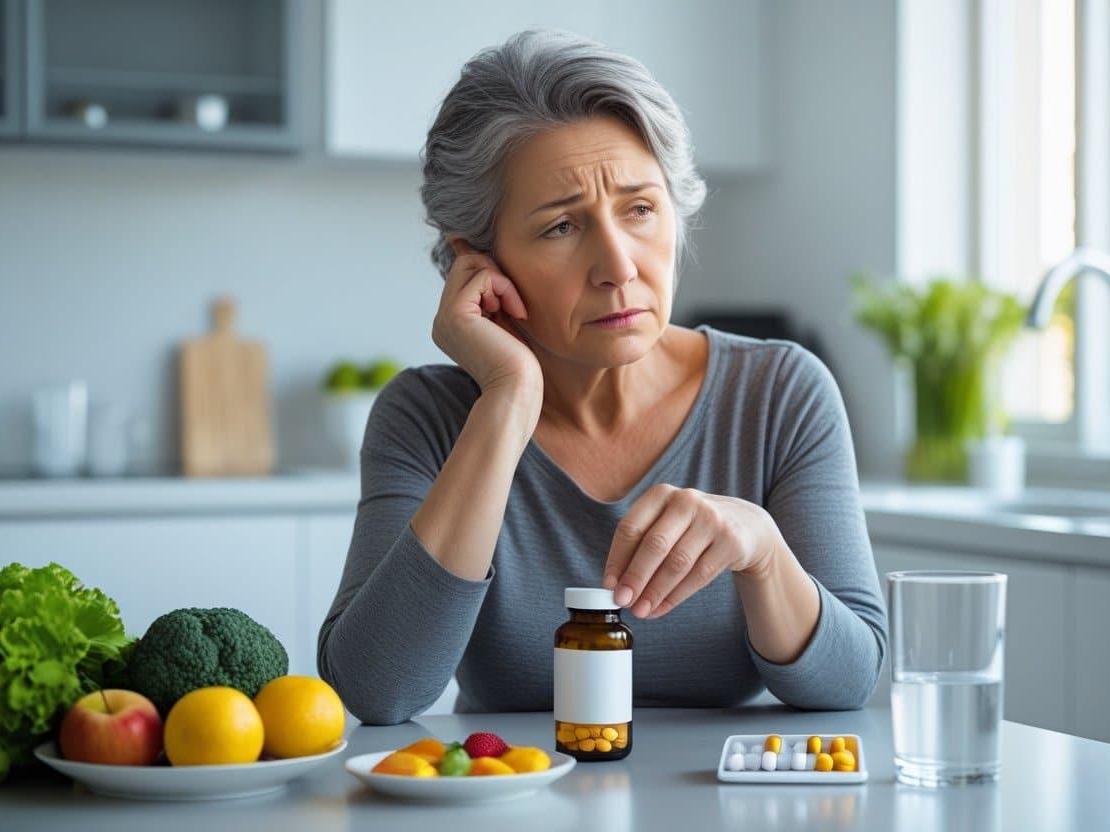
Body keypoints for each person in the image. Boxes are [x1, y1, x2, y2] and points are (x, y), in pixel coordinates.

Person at [318, 29, 886, 724]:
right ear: (479, 259)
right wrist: (506, 402)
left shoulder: (780, 393)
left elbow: (849, 680)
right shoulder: (426, 416)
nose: (619, 265)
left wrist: (762, 551)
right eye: (561, 227)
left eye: (641, 210)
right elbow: (377, 690)